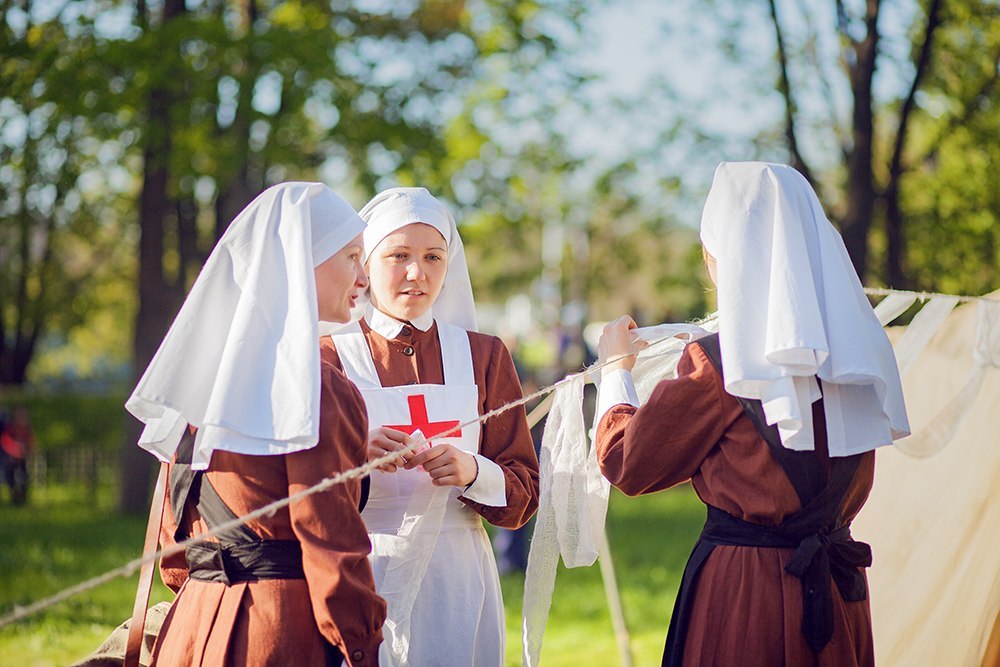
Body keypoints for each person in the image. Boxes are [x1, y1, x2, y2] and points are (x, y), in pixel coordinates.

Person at [594, 162, 909, 666]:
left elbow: (627, 463)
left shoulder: (717, 363)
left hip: (749, 592)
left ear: (717, 255)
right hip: (837, 588)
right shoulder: (859, 349)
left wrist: (615, 370)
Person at [125, 182, 386, 666]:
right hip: (280, 636)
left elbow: (173, 546)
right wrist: (361, 646)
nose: (364, 278)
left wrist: (208, 599)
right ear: (299, 262)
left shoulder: (200, 380)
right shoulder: (317, 389)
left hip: (190, 630)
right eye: (351, 257)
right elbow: (333, 547)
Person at [326, 187, 539, 666]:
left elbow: (525, 489)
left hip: (459, 576)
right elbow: (294, 488)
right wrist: (355, 456)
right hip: (363, 568)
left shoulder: (485, 355)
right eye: (398, 255)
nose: (417, 272)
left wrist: (474, 471)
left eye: (433, 257)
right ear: (365, 262)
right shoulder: (329, 355)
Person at [0, 405, 34, 505]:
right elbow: (5, 440)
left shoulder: (27, 428)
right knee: (10, 478)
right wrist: (14, 450)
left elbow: (30, 442)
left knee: (24, 477)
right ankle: (14, 497)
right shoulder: (11, 428)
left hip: (22, 458)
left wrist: (28, 450)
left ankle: (22, 498)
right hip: (11, 458)